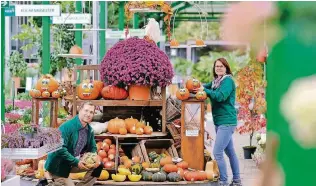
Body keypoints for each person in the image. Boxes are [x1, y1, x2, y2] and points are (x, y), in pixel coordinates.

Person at [194, 58, 241, 186]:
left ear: (226, 68)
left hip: (227, 122)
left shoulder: (227, 81)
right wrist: (196, 86)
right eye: (216, 66)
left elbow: (220, 96)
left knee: (217, 152)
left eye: (221, 66)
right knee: (230, 152)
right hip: (220, 122)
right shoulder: (216, 82)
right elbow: (204, 87)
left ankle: (223, 181)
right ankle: (237, 180)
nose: (218, 68)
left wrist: (205, 91)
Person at [44, 101, 102, 186]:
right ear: (80, 110)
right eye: (86, 110)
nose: (88, 114)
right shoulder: (67, 127)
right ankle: (52, 181)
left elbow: (92, 148)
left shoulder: (89, 130)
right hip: (59, 165)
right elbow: (60, 149)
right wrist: (76, 162)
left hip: (72, 162)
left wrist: (95, 158)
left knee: (98, 166)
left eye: (91, 112)